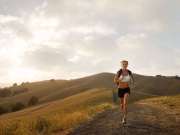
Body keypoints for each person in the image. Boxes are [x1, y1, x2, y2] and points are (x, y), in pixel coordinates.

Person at [113, 60, 134, 124]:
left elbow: (132, 80)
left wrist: (131, 81)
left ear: (127, 65)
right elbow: (115, 81)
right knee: (122, 104)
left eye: (126, 64)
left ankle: (124, 118)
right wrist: (119, 79)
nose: (125, 65)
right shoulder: (119, 72)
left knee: (125, 103)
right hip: (120, 89)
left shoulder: (129, 72)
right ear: (121, 65)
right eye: (123, 64)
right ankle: (123, 112)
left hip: (127, 89)